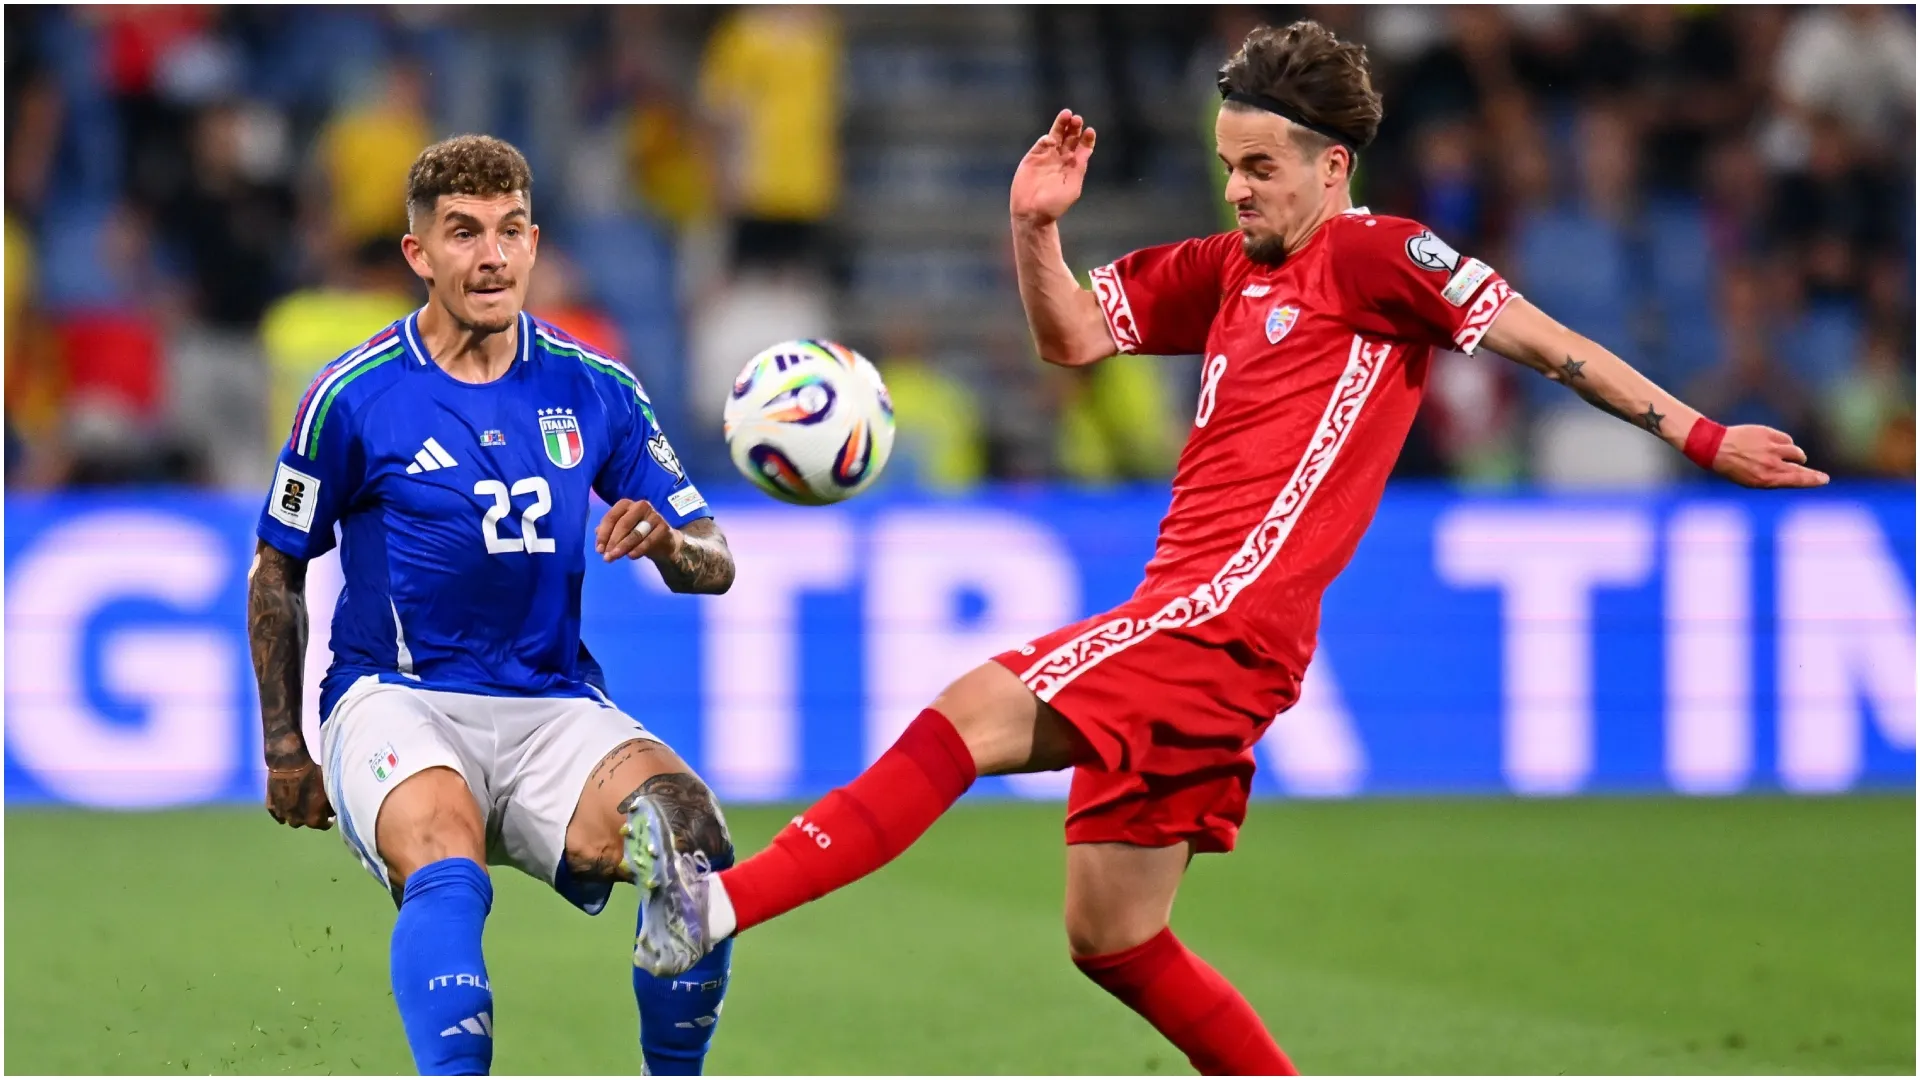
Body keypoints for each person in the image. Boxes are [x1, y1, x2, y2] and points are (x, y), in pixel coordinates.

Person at [624, 21, 1827, 1075]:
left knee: (964, 714)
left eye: (1260, 168)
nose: (1239, 190)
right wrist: (1033, 229)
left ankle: (716, 906)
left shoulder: (1377, 256)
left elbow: (1547, 340)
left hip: (1220, 616)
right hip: (1200, 623)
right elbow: (1077, 340)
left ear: (1332, 163)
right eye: (1227, 166)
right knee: (1114, 937)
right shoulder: (1224, 272)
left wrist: (1702, 432)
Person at [246, 135, 739, 1076]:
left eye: (511, 231)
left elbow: (714, 560)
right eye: (464, 233)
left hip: (550, 702)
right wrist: (284, 748)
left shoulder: (595, 387)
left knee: (692, 843)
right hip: (398, 696)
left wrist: (670, 544)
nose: (492, 256)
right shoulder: (353, 397)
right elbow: (278, 567)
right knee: (442, 852)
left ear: (535, 240)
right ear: (417, 254)